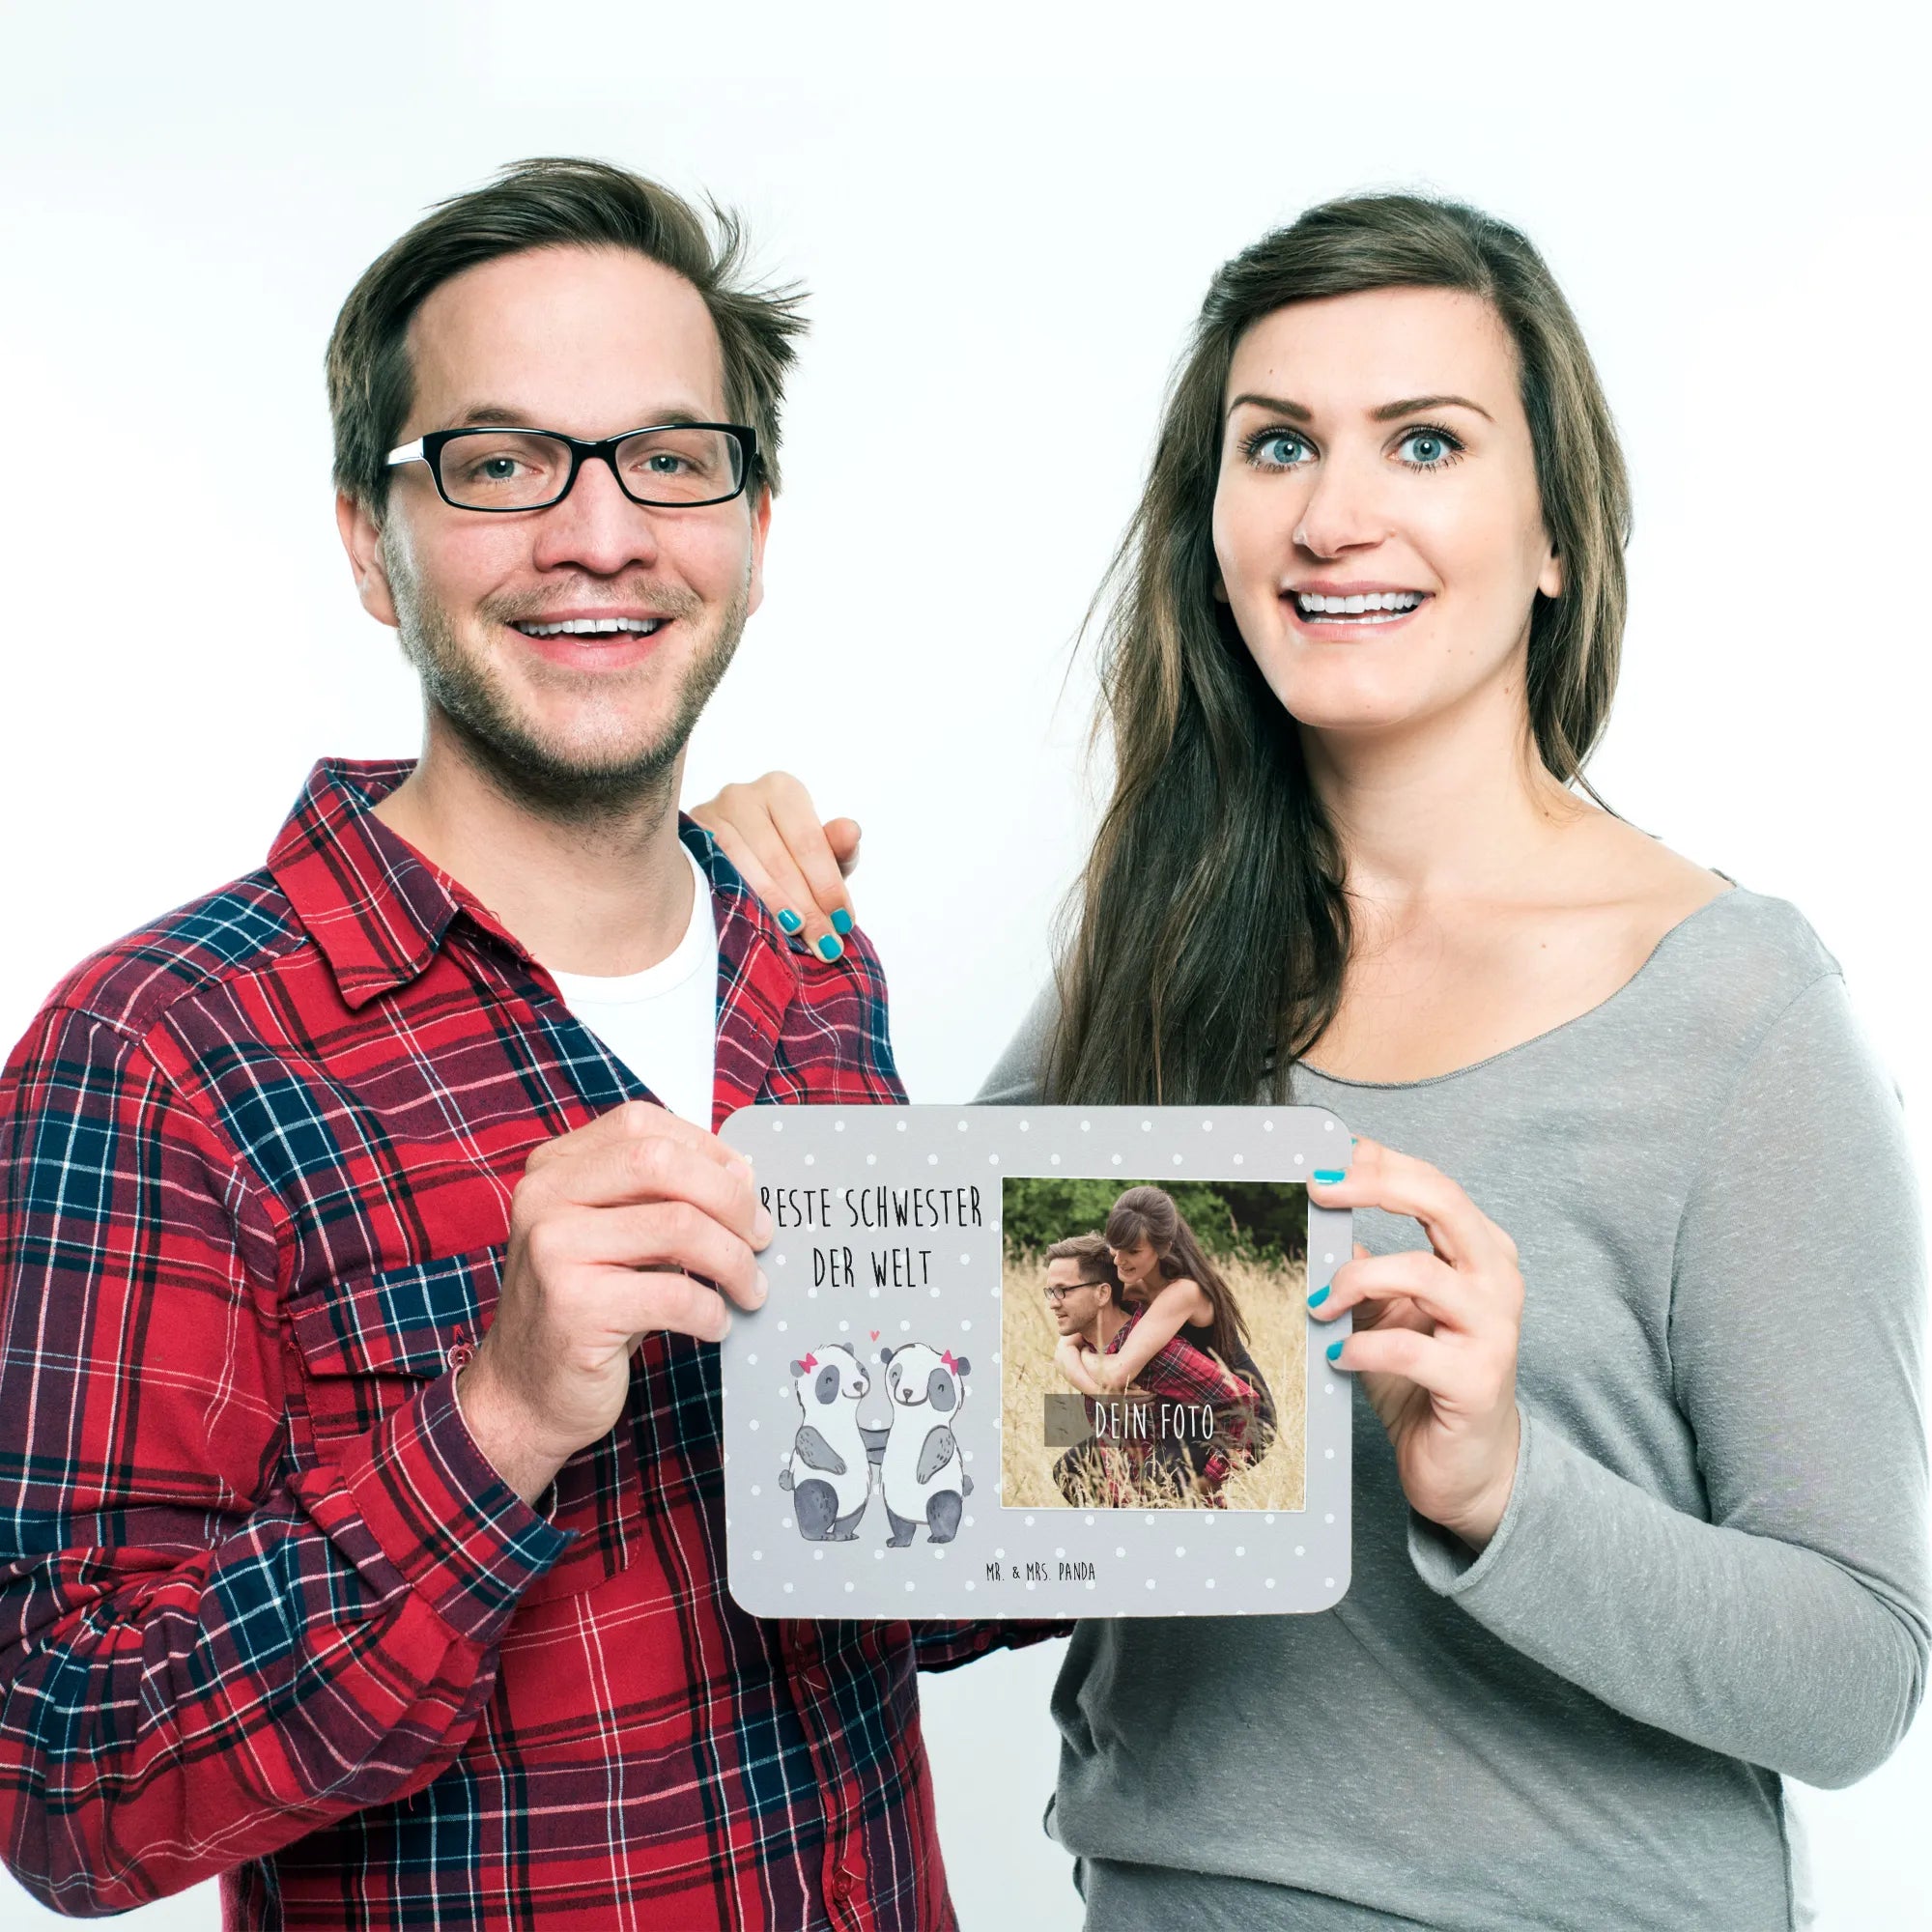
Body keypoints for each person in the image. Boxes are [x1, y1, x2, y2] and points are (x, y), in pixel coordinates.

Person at [692, 191, 1928, 1929]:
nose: (1334, 516)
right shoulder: (1156, 942)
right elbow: (898, 1394)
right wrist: (732, 928)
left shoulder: (1737, 1013)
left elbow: (1857, 1675)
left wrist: (1503, 1489)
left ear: (1556, 533)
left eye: (1425, 441)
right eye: (1277, 444)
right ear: (1211, 525)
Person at [0, 157, 1051, 1929]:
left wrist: (1210, 1411)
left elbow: (891, 1583)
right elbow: (66, 1789)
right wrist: (495, 1421)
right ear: (371, 541)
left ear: (754, 527)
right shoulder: (161, 1056)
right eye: (500, 466)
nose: (602, 534)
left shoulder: (808, 965)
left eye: (670, 459)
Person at [1041, 1232, 1264, 1506]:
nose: (1053, 1302)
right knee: (1070, 1472)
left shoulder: (1160, 1353)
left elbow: (1243, 1402)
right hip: (1132, 1481)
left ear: (1102, 1293)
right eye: (1050, 1292)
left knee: (1156, 1478)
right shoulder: (1086, 1348)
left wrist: (1211, 1478)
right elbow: (1064, 1352)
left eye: (1064, 1291)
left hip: (1172, 1487)